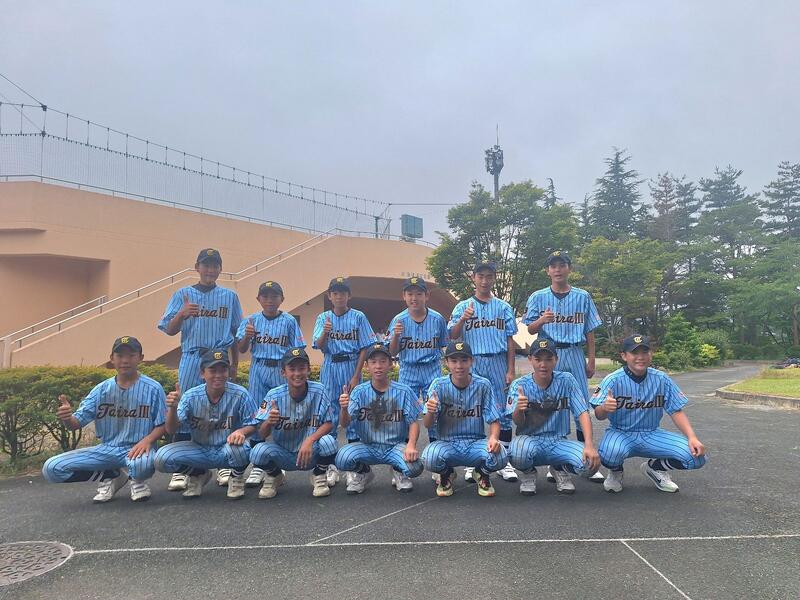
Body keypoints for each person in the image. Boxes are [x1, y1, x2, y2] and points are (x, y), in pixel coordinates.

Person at [158, 248, 243, 491]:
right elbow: (169, 329)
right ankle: (186, 468)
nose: (210, 269)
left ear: (220, 269)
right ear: (197, 267)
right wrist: (181, 314)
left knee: (224, 406)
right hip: (193, 356)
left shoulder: (229, 296)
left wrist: (234, 365)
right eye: (206, 265)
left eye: (215, 265)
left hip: (219, 356)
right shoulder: (183, 294)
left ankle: (224, 462)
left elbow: (236, 332)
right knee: (186, 407)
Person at [42, 336, 166, 503]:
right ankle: (110, 474)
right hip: (107, 449)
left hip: (138, 448)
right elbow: (76, 423)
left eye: (131, 355)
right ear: (111, 358)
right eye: (120, 355)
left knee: (141, 465)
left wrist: (148, 440)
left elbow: (163, 424)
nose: (125, 360)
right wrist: (67, 418)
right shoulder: (101, 390)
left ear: (140, 358)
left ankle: (136, 481)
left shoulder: (153, 388)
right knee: (52, 468)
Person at [523, 250, 605, 484]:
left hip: (574, 351)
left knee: (580, 406)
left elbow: (589, 330)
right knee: (552, 405)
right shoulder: (538, 296)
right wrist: (542, 320)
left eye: (562, 265)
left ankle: (584, 458)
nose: (557, 269)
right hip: (548, 353)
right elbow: (529, 329)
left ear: (569, 268)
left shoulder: (582, 296)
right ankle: (555, 463)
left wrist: (591, 359)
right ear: (547, 271)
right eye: (553, 266)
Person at [591, 335, 707, 493]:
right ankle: (616, 471)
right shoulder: (613, 379)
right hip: (621, 433)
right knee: (609, 454)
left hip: (652, 433)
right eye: (634, 353)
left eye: (645, 352)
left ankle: (655, 467)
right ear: (624, 356)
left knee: (696, 457)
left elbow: (675, 410)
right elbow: (599, 415)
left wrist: (692, 437)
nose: (640, 357)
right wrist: (604, 408)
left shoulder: (661, 379)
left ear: (651, 354)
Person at [154, 348, 257, 500]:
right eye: (212, 370)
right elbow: (171, 429)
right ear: (202, 373)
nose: (218, 375)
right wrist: (173, 409)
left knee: (242, 449)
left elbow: (254, 424)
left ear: (228, 372)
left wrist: (241, 431)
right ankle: (198, 474)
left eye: (223, 370)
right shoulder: (190, 396)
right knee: (161, 458)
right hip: (199, 448)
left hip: (227, 448)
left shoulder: (240, 393)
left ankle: (236, 476)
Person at [448, 261, 518, 483]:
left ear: (494, 278)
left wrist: (511, 369)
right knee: (472, 410)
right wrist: (463, 319)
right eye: (481, 276)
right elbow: (452, 335)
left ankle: (504, 460)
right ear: (474, 277)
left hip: (497, 361)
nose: (485, 280)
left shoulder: (503, 307)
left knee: (502, 412)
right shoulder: (463, 306)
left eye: (489, 276)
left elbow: (510, 340)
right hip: (473, 362)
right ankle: (473, 460)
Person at [507, 339, 600, 495]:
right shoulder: (519, 385)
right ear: (530, 359)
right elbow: (518, 422)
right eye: (538, 359)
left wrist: (589, 445)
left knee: (590, 464)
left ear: (556, 359)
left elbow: (582, 413)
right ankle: (529, 473)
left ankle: (559, 467)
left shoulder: (567, 380)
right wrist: (519, 410)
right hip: (530, 440)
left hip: (558, 441)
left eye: (548, 359)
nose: (543, 364)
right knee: (517, 452)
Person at [236, 280, 304, 487]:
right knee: (258, 414)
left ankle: (276, 459)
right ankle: (258, 465)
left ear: (281, 299)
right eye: (265, 296)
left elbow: (298, 349)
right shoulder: (251, 320)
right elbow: (241, 348)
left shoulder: (289, 320)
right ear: (259, 299)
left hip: (280, 369)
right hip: (259, 367)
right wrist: (246, 337)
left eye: (274, 296)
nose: (269, 300)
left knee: (280, 414)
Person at [312, 277, 377, 487]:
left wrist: (357, 374)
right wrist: (325, 333)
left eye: (343, 292)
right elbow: (319, 345)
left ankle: (354, 466)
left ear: (349, 295)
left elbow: (365, 347)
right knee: (330, 413)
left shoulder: (358, 316)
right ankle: (330, 464)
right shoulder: (323, 318)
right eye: (335, 293)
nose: (339, 296)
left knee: (354, 411)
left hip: (350, 364)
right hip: (330, 364)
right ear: (329, 296)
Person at [421, 341, 508, 497]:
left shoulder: (483, 385)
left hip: (475, 442)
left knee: (501, 456)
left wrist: (494, 438)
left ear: (471, 361)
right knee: (429, 458)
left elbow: (494, 419)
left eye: (464, 360)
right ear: (446, 362)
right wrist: (431, 412)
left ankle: (481, 473)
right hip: (447, 443)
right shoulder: (438, 385)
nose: (459, 366)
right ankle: (447, 474)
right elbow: (428, 424)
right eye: (454, 361)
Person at [335, 343, 424, 494]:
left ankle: (398, 470)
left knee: (415, 467)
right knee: (341, 459)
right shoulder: (359, 391)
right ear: (366, 366)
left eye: (383, 361)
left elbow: (413, 422)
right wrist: (344, 408)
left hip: (395, 446)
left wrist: (411, 445)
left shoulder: (404, 391)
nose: (378, 366)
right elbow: (345, 423)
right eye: (373, 362)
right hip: (367, 446)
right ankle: (364, 472)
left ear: (391, 364)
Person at [249, 347, 337, 499]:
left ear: (308, 370)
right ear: (283, 372)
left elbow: (329, 424)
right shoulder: (273, 395)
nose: (297, 373)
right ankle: (275, 475)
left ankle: (318, 474)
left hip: (311, 452)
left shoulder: (319, 390)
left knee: (329, 442)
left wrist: (310, 440)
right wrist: (269, 422)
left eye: (301, 368)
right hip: (283, 453)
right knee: (257, 452)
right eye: (292, 369)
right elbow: (261, 433)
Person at [387, 276, 448, 478]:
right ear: (404, 296)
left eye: (419, 293)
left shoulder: (437, 319)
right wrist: (396, 336)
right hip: (409, 369)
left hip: (431, 368)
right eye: (410, 294)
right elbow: (392, 352)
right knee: (405, 415)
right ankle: (401, 467)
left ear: (426, 296)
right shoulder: (398, 320)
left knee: (435, 412)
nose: (414, 298)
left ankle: (438, 463)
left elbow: (443, 345)